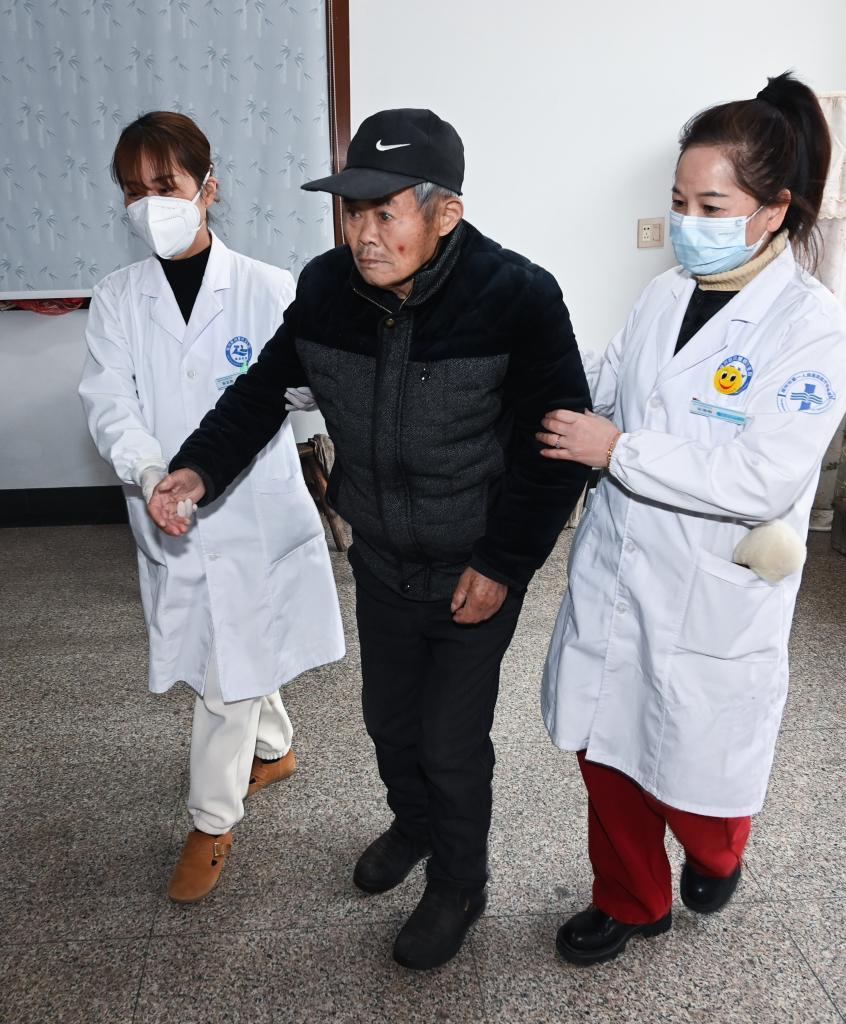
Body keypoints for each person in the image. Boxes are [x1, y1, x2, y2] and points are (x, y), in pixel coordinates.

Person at [145, 108, 592, 968]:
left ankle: (460, 881)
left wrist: (503, 563)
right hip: (382, 556)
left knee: (451, 741)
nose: (363, 234)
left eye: (387, 213)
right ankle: (414, 826)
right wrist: (195, 470)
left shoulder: (517, 297)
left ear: (445, 212)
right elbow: (260, 394)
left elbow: (557, 444)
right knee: (388, 721)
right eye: (353, 211)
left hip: (474, 564)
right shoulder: (326, 290)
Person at [537, 72, 846, 966]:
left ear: (773, 210)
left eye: (710, 205)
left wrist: (619, 451)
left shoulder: (811, 327)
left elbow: (762, 476)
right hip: (620, 562)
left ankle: (719, 850)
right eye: (679, 202)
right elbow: (612, 383)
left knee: (695, 761)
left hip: (715, 579)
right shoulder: (665, 293)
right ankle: (631, 901)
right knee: (607, 748)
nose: (688, 221)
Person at [78, 111, 345, 904]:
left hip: (253, 511)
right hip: (167, 508)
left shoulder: (269, 287)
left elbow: (307, 387)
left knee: (229, 659)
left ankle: (210, 820)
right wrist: (150, 471)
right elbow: (109, 403)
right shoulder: (117, 298)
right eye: (134, 190)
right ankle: (276, 746)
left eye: (164, 184)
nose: (148, 203)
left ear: (208, 188)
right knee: (227, 648)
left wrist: (313, 384)